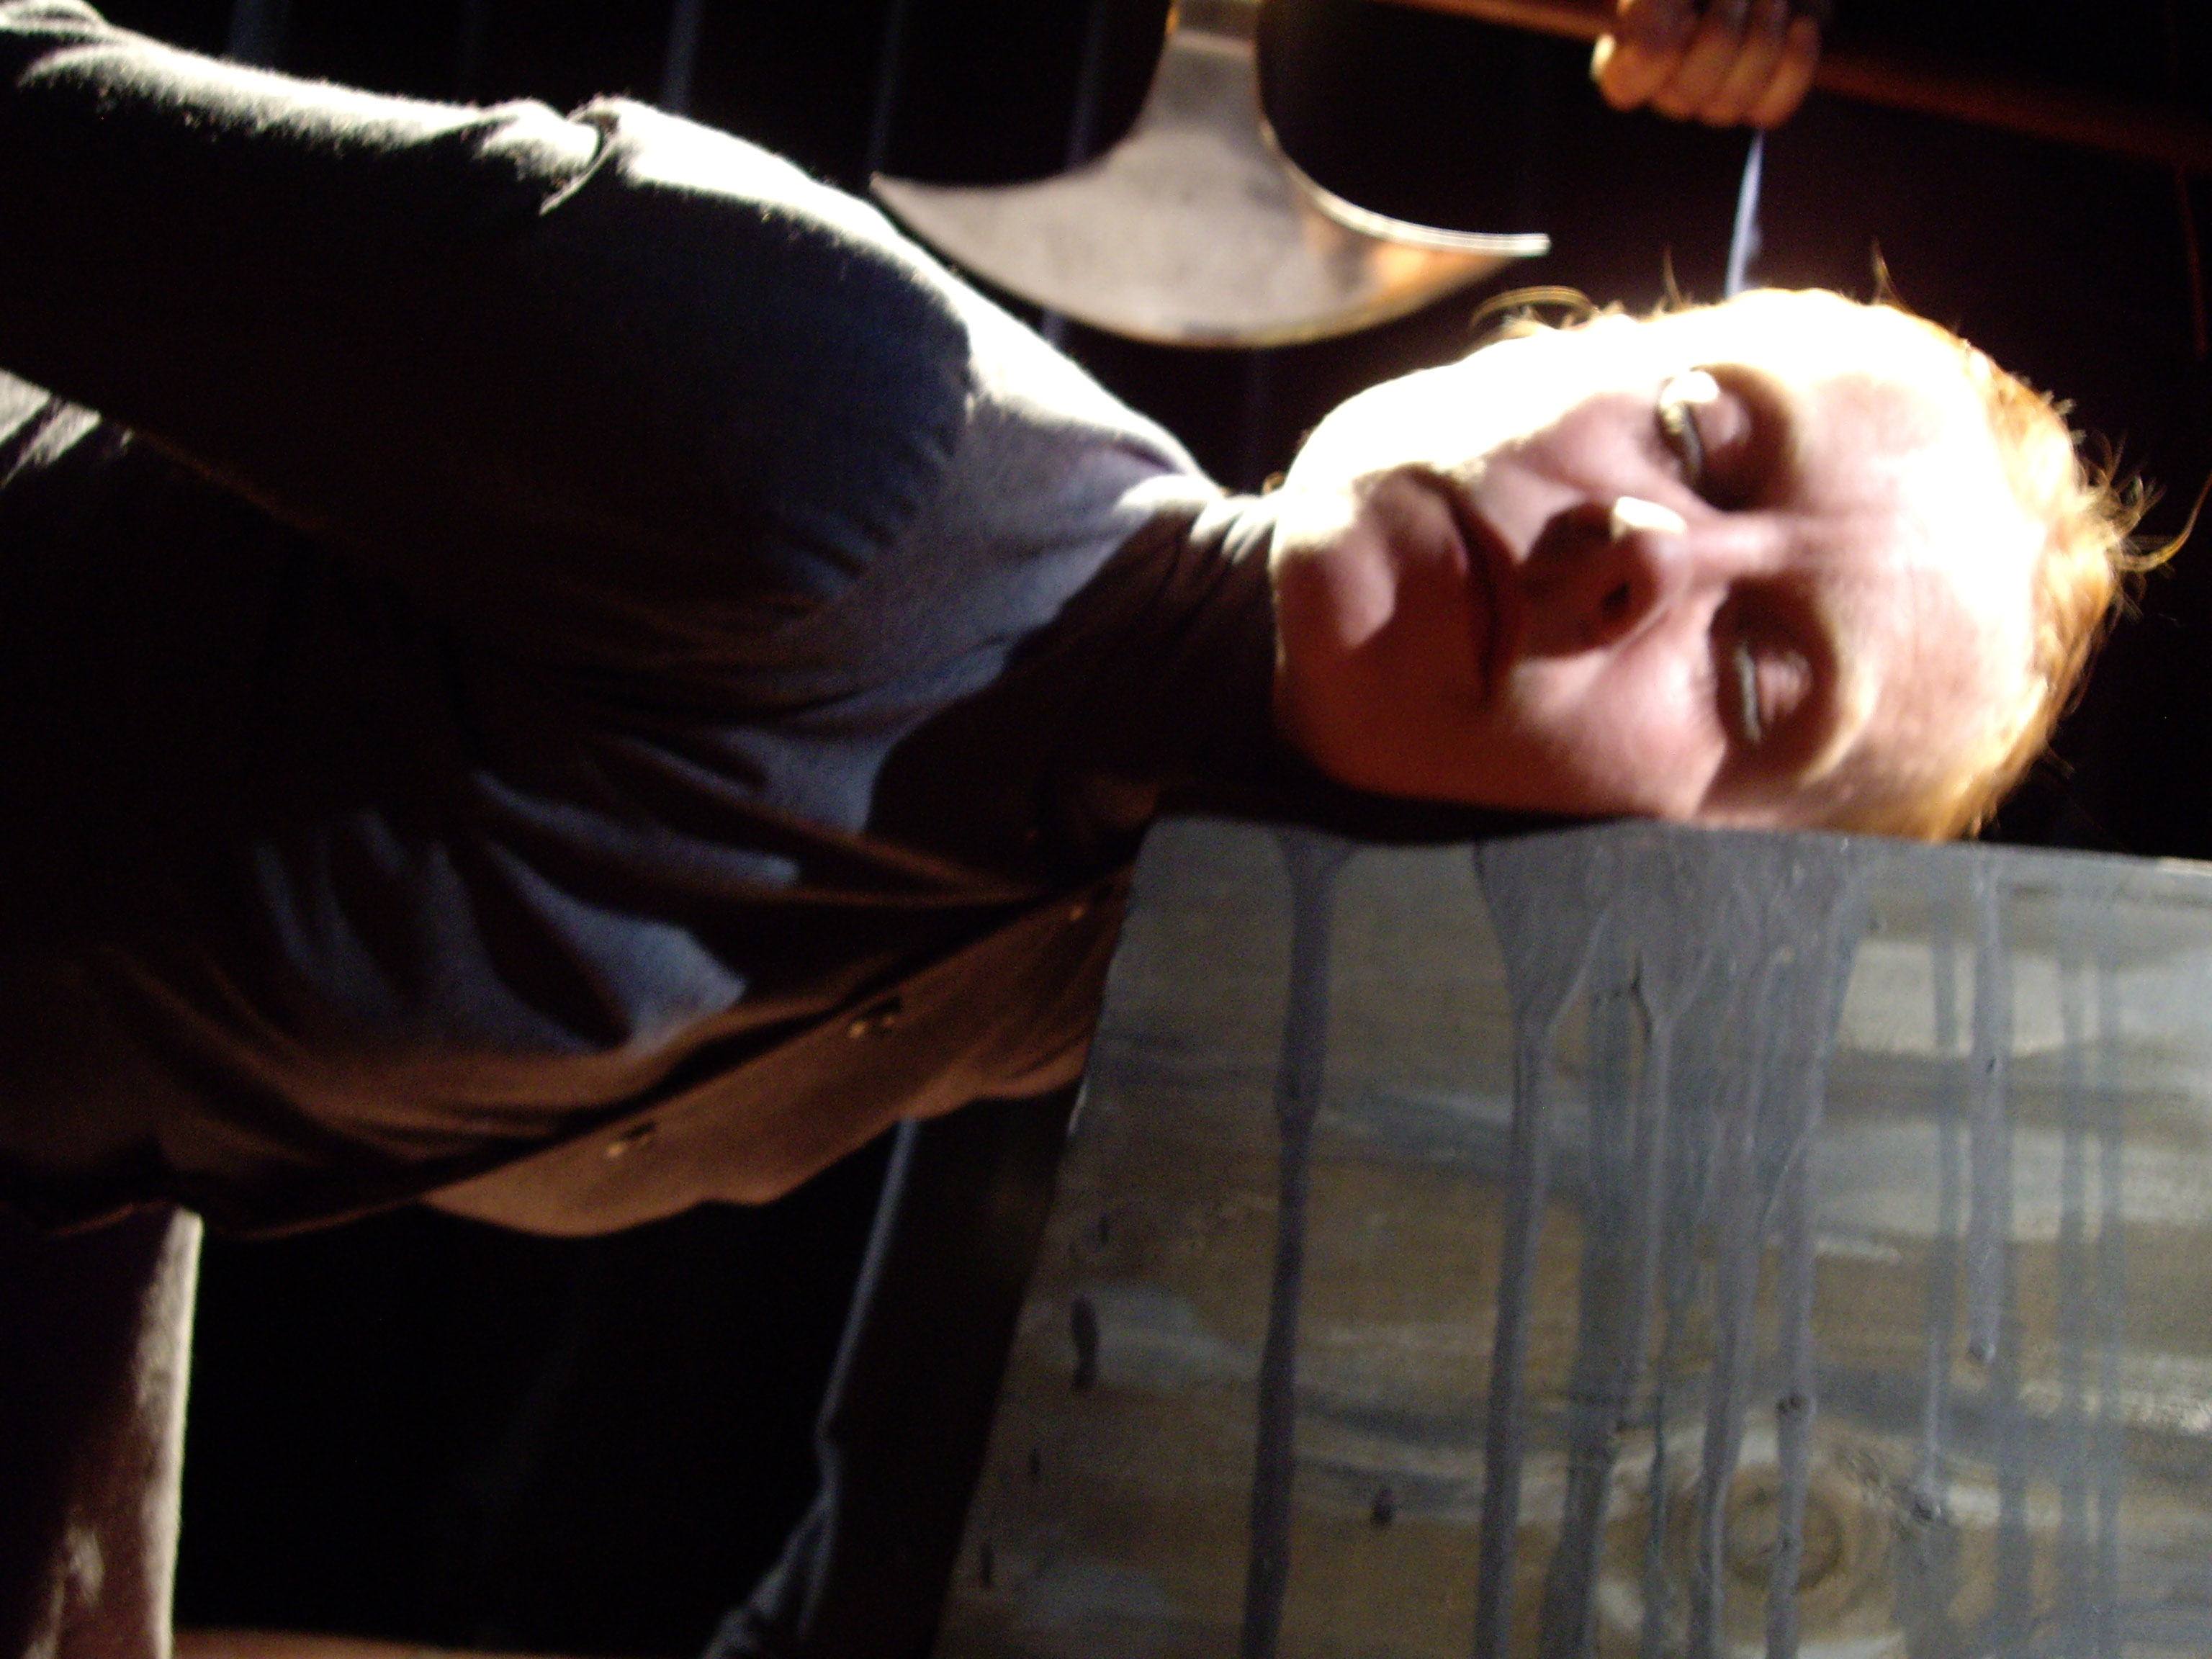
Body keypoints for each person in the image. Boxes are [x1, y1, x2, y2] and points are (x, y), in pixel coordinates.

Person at [0, 0, 2134, 1655]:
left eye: (1755, 674)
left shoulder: (1134, 947)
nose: (1632, 546)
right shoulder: (831, 432)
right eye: (1695, 429)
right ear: (1561, 345)